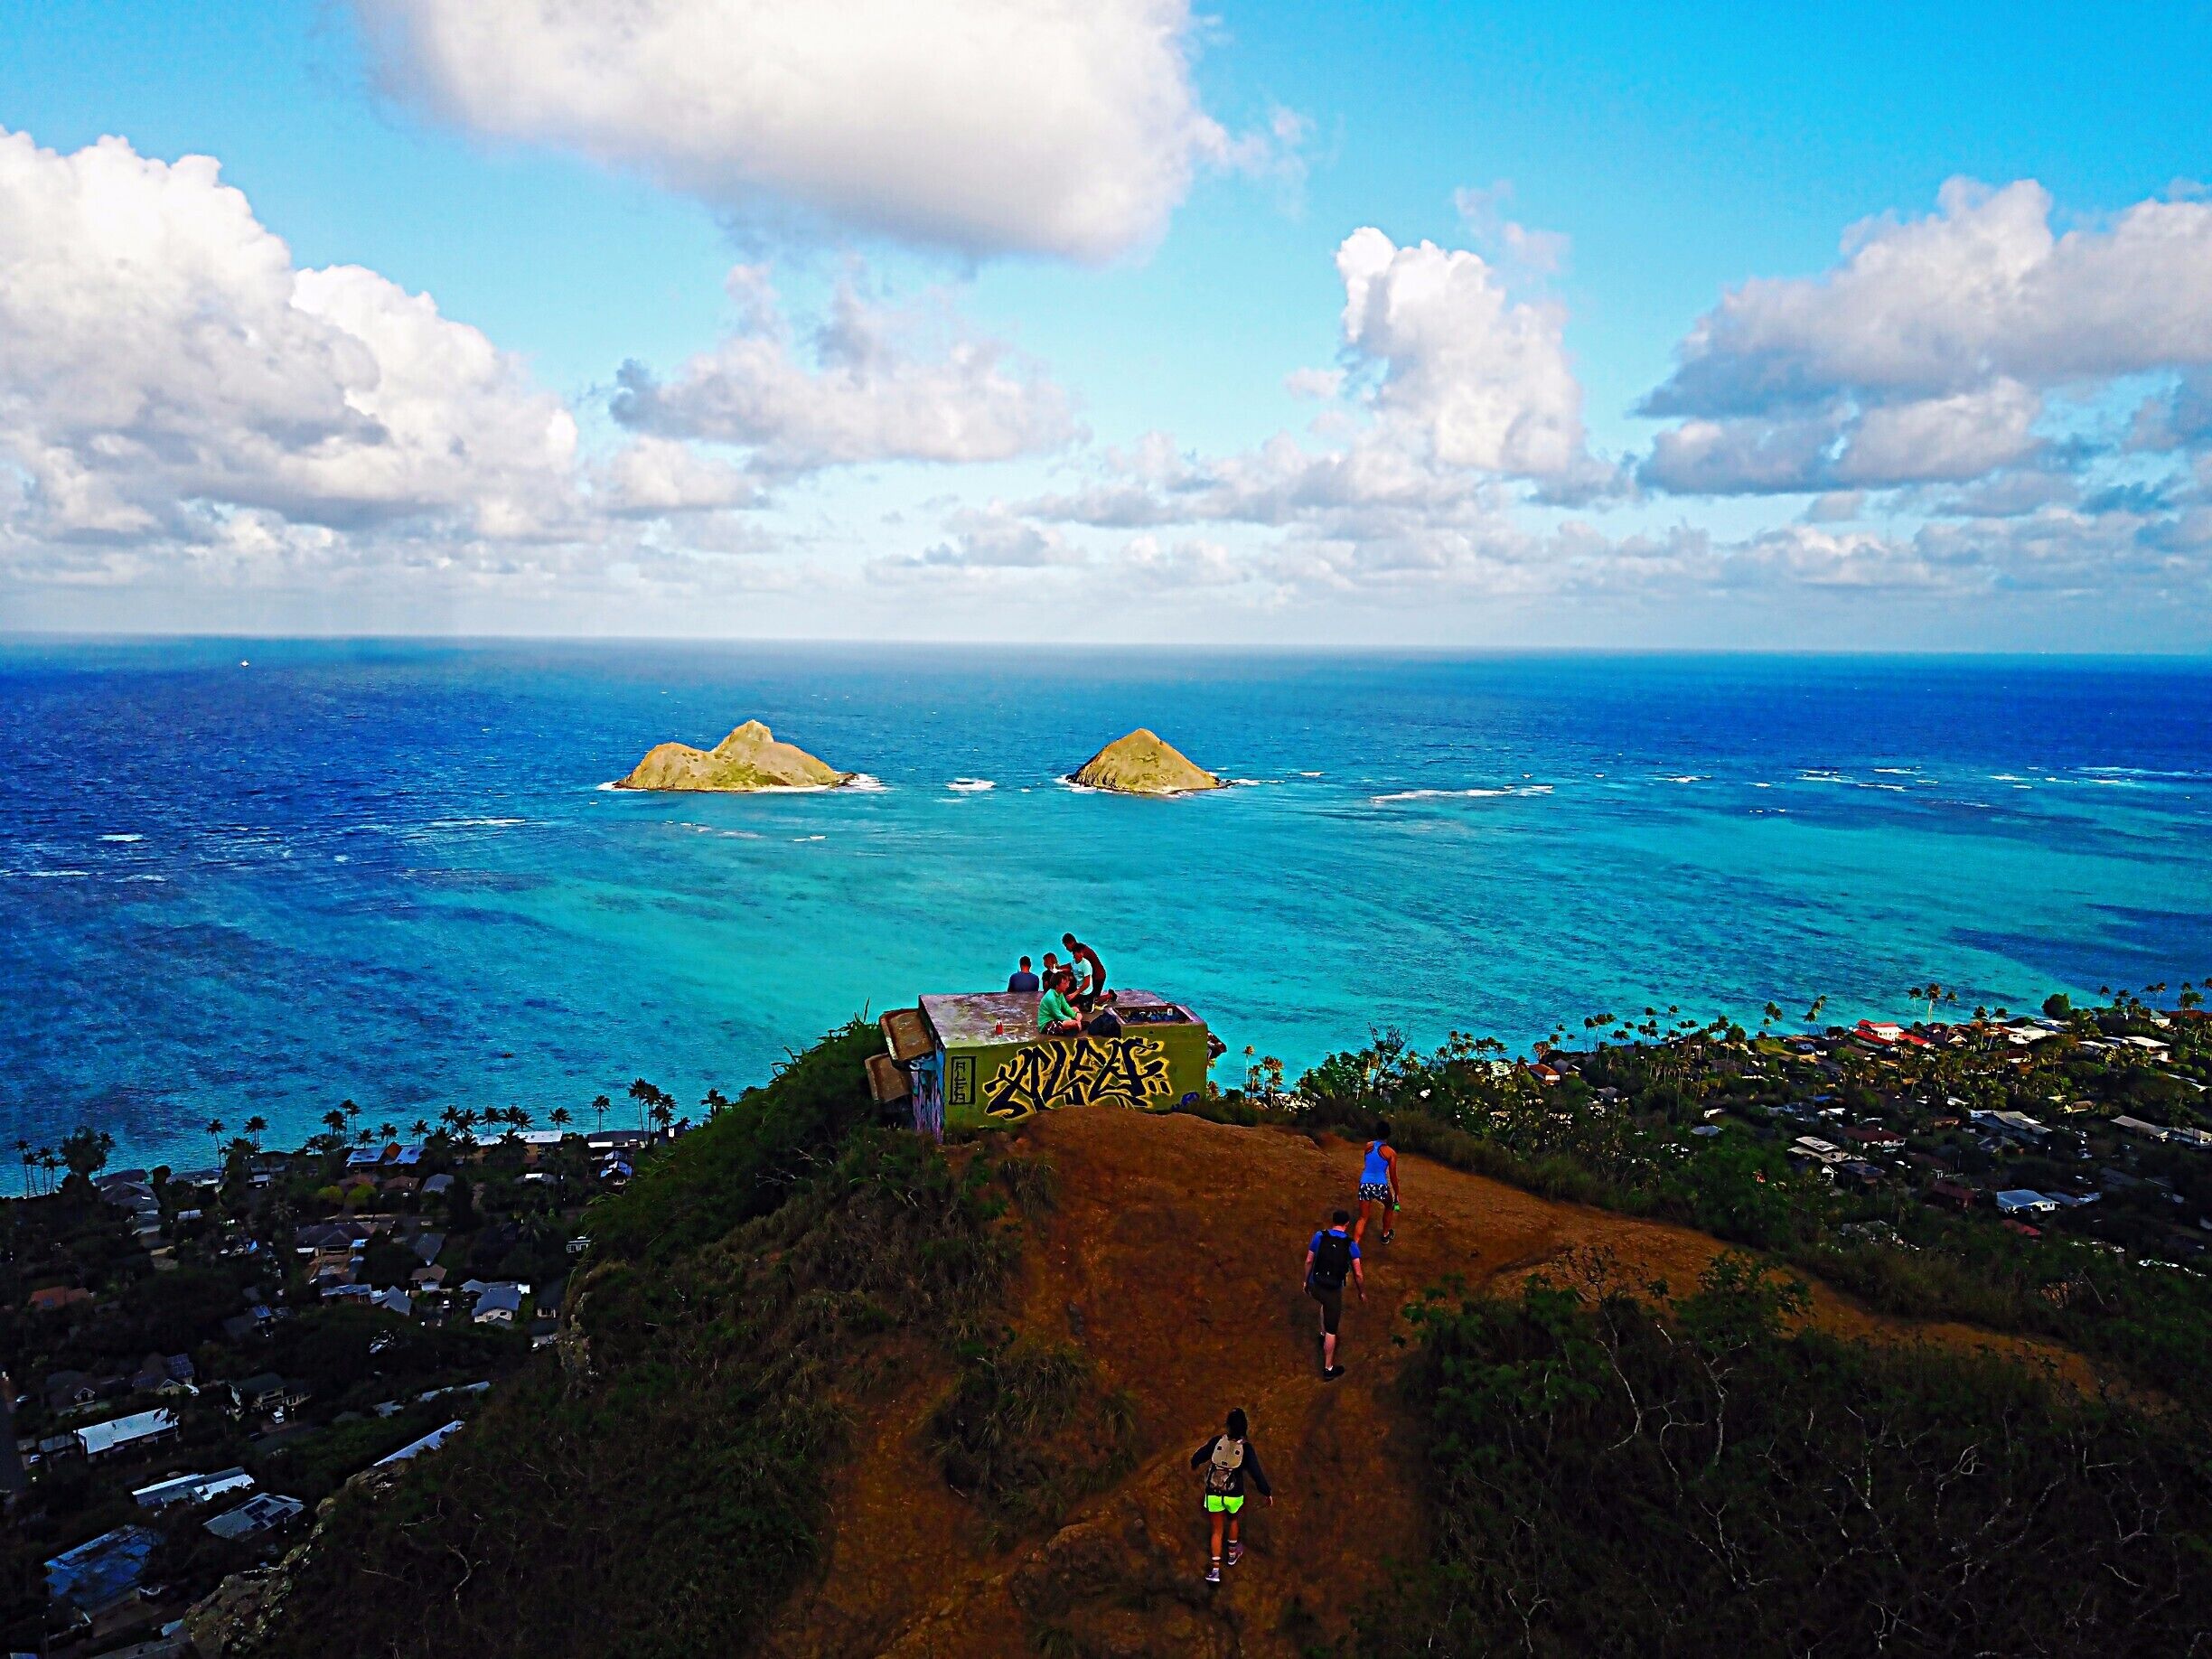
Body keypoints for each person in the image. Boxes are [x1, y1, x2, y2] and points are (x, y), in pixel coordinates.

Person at [1189, 1407, 1271, 1582]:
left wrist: (1194, 1463)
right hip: (1234, 1494)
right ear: (1245, 1427)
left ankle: (1215, 1571)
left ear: (1228, 1425)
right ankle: (1233, 1554)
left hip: (1213, 1492)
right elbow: (1256, 1473)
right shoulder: (1246, 1449)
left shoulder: (1217, 1441)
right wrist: (1267, 1492)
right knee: (1233, 1520)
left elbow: (1199, 1455)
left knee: (1217, 1530)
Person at [1303, 1209, 1364, 1380]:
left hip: (1316, 1286)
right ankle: (1328, 1368)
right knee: (1332, 1329)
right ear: (1347, 1224)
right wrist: (1362, 1292)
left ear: (1333, 1221)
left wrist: (1306, 1281)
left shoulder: (1319, 1236)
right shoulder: (1351, 1244)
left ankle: (1322, 1335)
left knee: (1325, 1304)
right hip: (1332, 1290)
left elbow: (1309, 1260)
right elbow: (1358, 1274)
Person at [1353, 1120, 1401, 1247]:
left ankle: (1354, 1248)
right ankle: (1385, 1234)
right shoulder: (1391, 1153)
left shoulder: (1368, 1146)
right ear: (1389, 1134)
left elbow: (1368, 1164)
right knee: (1389, 1205)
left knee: (1363, 1217)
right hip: (1380, 1185)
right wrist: (1397, 1192)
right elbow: (1393, 1176)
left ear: (1377, 1132)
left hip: (1365, 1183)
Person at [1063, 933, 1107, 1010]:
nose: (1066, 949)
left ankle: (1110, 995)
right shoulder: (1079, 949)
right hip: (1094, 976)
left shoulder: (1082, 952)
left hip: (1098, 977)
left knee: (1093, 1002)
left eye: (1066, 946)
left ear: (1071, 943)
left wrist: (1060, 968)